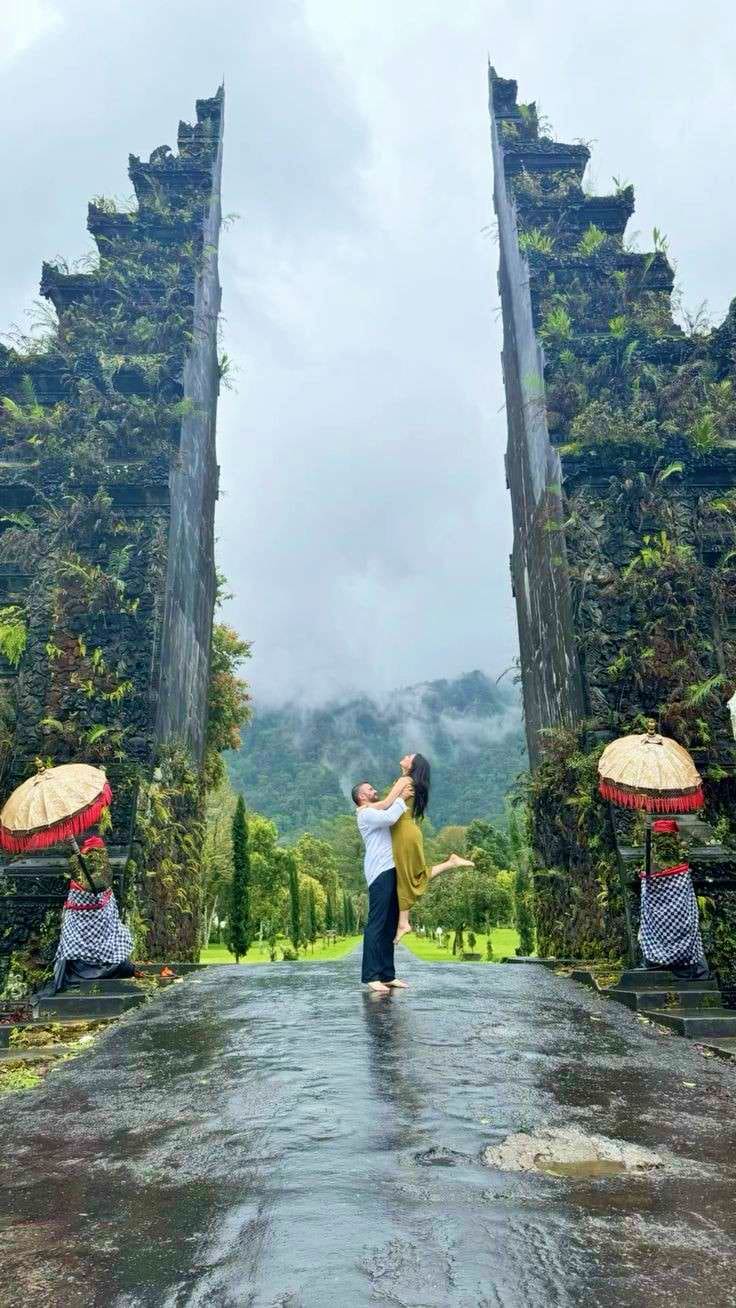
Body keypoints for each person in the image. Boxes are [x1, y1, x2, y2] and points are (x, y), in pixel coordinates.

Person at [366, 752, 473, 943]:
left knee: (406, 877)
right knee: (410, 875)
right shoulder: (410, 781)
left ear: (412, 765)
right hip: (407, 831)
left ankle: (404, 923)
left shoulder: (405, 780)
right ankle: (451, 863)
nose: (405, 756)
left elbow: (384, 804)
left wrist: (362, 809)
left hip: (403, 833)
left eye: (410, 756)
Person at [353, 780, 408, 994]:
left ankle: (387, 975)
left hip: (391, 868)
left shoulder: (370, 809)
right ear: (361, 797)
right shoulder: (365, 814)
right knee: (376, 923)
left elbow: (387, 809)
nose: (374, 790)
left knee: (389, 924)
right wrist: (402, 798)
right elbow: (390, 816)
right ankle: (370, 976)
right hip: (379, 872)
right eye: (369, 789)